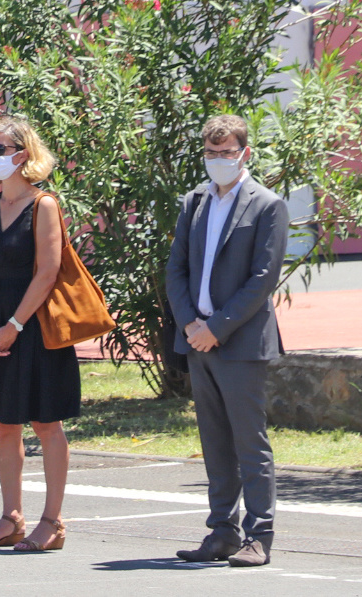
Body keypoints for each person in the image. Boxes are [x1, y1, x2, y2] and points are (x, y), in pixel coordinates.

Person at [166, 114, 289, 568]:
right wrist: (190, 326)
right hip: (197, 340)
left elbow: (262, 280)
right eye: (212, 153)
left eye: (227, 153)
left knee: (248, 442)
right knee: (214, 441)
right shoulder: (194, 201)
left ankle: (260, 536)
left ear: (245, 154)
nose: (219, 160)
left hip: (238, 343)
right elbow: (175, 269)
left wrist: (215, 327)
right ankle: (222, 532)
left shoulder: (267, 205)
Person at [0, 115, 79, 552]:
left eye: (1, 149)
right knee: (4, 423)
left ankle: (53, 522)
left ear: (24, 154)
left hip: (33, 326)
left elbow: (48, 272)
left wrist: (13, 327)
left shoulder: (43, 205)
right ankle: (11, 518)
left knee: (45, 422)